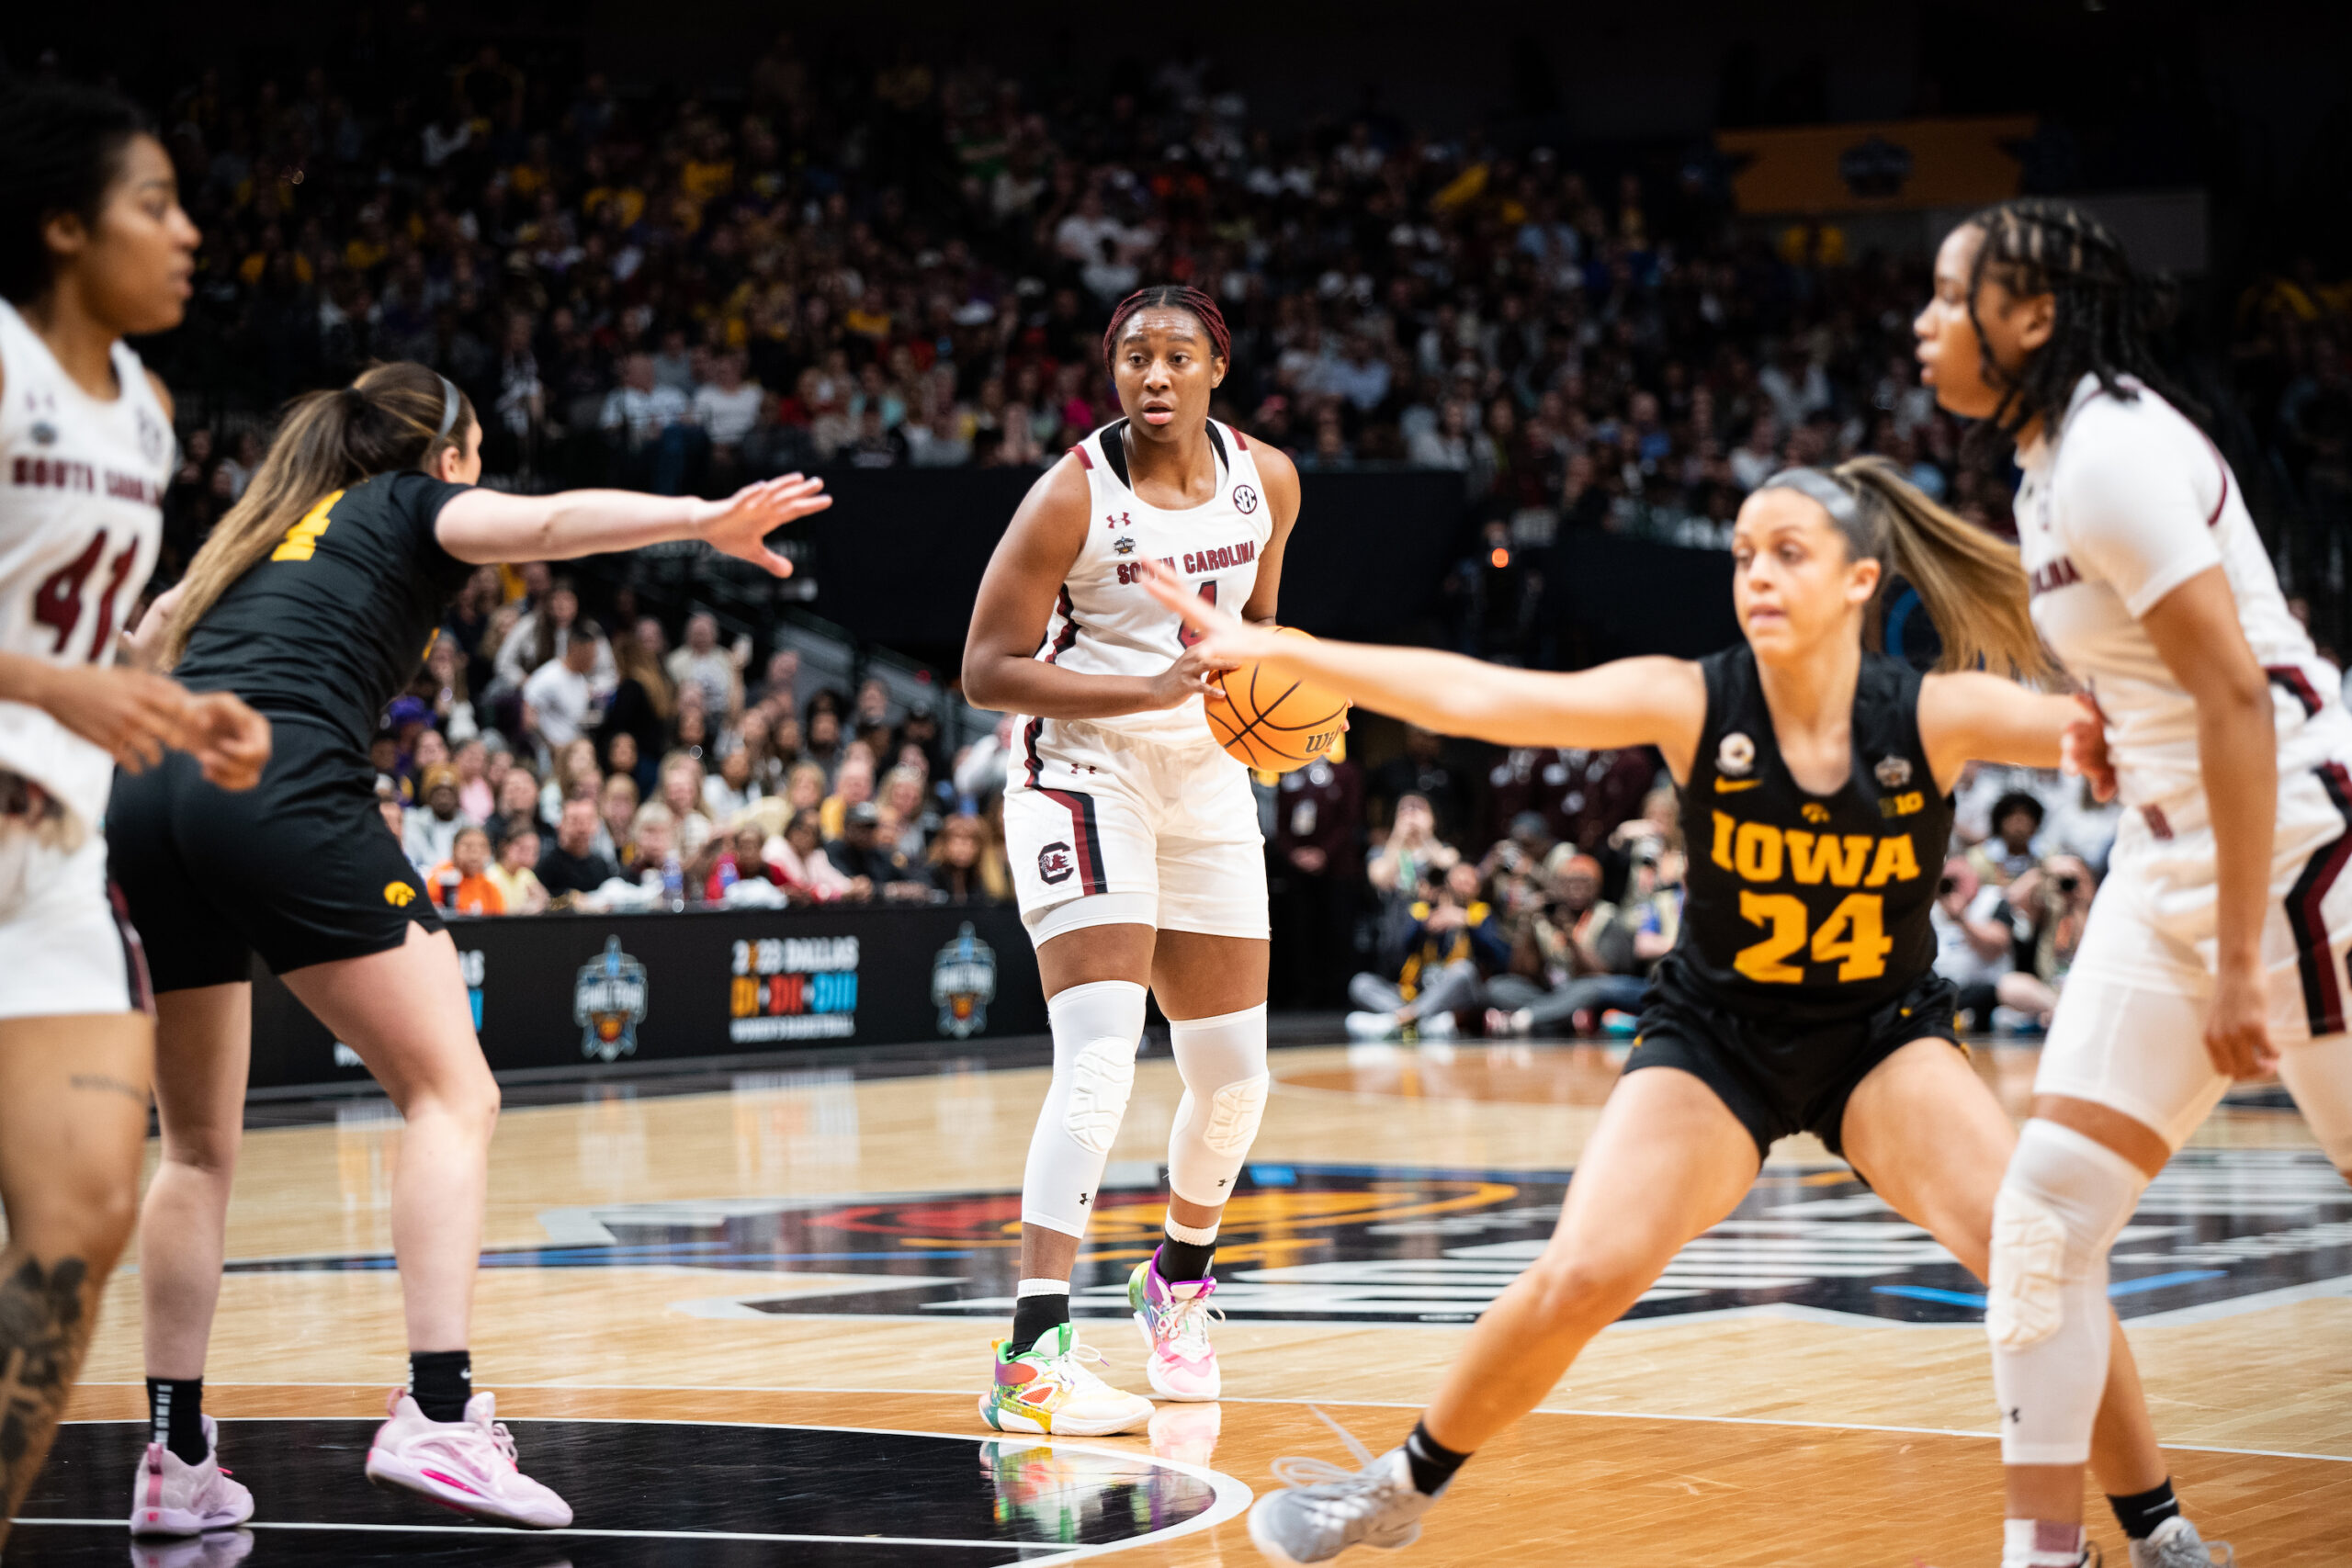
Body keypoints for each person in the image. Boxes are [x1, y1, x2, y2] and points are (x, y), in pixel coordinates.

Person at [1140, 457, 2220, 1566]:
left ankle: (2161, 1534)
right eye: (1744, 554)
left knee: (2036, 1252)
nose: (1756, 575)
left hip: (1878, 1038)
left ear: (1858, 583)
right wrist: (1289, 653)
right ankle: (1393, 1490)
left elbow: (2157, 730)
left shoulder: (1933, 716)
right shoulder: (1692, 698)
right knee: (1583, 1273)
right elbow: (1485, 694)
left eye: (1788, 554)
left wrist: (2118, 732)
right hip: (1718, 1041)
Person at [109, 357, 831, 1531]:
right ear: (443, 457)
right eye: (477, 454)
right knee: (454, 1096)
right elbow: (543, 522)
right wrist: (706, 518)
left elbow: (142, 638)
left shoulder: (256, 539)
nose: (479, 477)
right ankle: (439, 1416)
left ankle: (175, 1456)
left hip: (150, 796)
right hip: (276, 778)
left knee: (192, 1153)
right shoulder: (405, 499)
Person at [1915, 197, 2352, 1568]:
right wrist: (2104, 707)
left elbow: (2235, 695)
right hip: (2169, 849)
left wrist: (2236, 961)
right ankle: (2052, 1549)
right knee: (2041, 1216)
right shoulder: (2048, 455)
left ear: (2029, 315)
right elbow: (2165, 657)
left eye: (1947, 296)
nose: (1925, 323)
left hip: (2287, 849)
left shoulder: (2107, 451)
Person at [0, 79, 270, 1551]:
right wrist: (63, 681)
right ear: (60, 224)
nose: (188, 233)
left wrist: (173, 708)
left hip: (50, 857)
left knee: (82, 1222)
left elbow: (90, 649)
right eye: (153, 205)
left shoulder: (151, 415)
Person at [960, 285, 1300, 1436]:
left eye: (1176, 357)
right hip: (1083, 772)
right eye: (1133, 358)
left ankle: (1177, 1283)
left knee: (1235, 1080)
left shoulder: (1270, 482)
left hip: (1205, 778)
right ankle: (1032, 1355)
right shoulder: (1070, 496)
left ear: (1217, 367)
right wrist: (1141, 690)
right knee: (1101, 1057)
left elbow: (1253, 639)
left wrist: (1280, 699)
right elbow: (986, 670)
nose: (1153, 376)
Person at [536, 794, 618, 900]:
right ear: (561, 825)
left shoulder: (601, 864)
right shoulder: (546, 866)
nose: (582, 829)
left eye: (588, 821)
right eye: (575, 821)